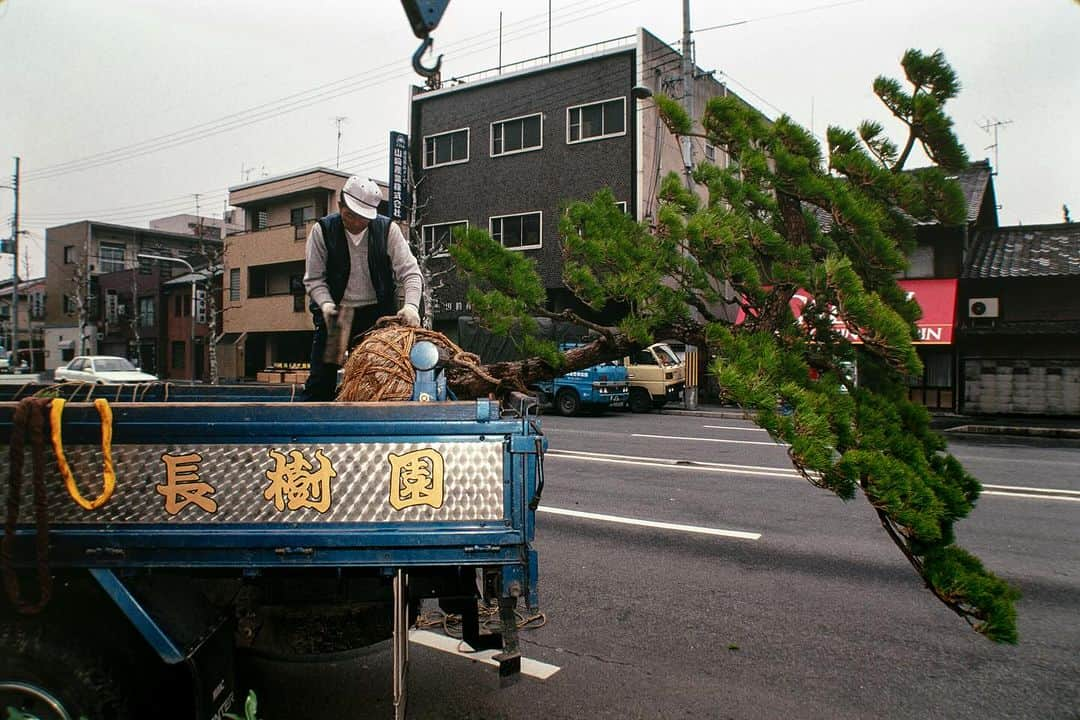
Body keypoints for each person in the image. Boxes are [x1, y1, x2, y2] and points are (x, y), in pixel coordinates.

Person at [302, 175, 422, 401]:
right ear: (340, 206)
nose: (356, 222)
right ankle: (315, 432)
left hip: (378, 315)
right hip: (338, 316)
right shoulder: (323, 231)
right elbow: (314, 278)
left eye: (363, 218)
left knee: (379, 379)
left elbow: (410, 272)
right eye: (350, 215)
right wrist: (325, 304)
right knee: (321, 382)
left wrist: (411, 307)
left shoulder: (387, 230)